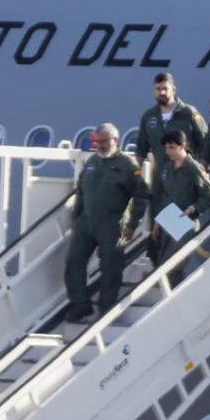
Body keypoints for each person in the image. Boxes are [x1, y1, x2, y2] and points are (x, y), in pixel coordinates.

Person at [64, 123, 148, 324]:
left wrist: (131, 225)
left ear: (115, 141)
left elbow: (141, 195)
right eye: (97, 141)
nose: (99, 145)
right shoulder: (92, 162)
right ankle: (80, 303)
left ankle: (106, 307)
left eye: (103, 141)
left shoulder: (128, 166)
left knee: (111, 266)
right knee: (73, 260)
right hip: (86, 223)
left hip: (113, 224)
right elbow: (81, 190)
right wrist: (76, 215)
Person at [137, 71, 208, 247]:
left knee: (180, 235)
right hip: (160, 185)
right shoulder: (149, 117)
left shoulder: (188, 114)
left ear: (174, 89)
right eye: (158, 89)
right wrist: (137, 177)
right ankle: (160, 267)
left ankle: (176, 270)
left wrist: (201, 173)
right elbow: (140, 151)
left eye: (165, 88)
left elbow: (205, 146)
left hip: (183, 183)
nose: (161, 92)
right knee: (158, 235)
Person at [156, 130, 210, 265]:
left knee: (173, 265)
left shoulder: (193, 167)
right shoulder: (167, 167)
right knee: (162, 262)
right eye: (166, 147)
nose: (168, 151)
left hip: (185, 219)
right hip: (169, 217)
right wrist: (158, 221)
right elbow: (164, 195)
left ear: (183, 145)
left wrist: (193, 208)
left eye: (171, 147)